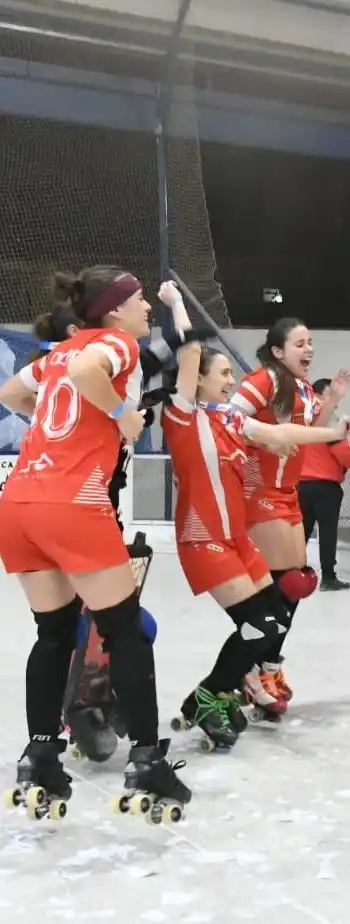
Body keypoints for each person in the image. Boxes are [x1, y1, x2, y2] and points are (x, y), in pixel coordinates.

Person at [0, 266, 190, 811]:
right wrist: (120, 416)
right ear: (113, 310)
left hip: (20, 500)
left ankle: (41, 756)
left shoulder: (57, 351)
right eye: (138, 301)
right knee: (124, 630)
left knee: (54, 634)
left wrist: (65, 424)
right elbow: (89, 372)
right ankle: (148, 762)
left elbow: (12, 391)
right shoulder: (112, 343)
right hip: (73, 502)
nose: (145, 309)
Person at [164, 338, 350, 742]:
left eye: (233, 374)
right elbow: (188, 355)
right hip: (205, 539)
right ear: (197, 378)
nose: (231, 381)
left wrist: (331, 430)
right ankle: (205, 697)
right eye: (223, 374)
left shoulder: (231, 421)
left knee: (272, 622)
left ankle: (224, 689)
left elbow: (282, 429)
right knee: (257, 623)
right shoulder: (182, 414)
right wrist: (178, 308)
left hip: (237, 539)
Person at [229, 320, 350, 713]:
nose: (309, 349)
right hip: (259, 491)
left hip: (288, 491)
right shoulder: (263, 379)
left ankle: (265, 662)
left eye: (311, 342)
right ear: (278, 351)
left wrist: (332, 402)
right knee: (281, 586)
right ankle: (249, 668)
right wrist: (263, 437)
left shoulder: (300, 386)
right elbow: (229, 420)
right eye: (300, 343)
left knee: (297, 583)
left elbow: (308, 427)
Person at [298, 378, 350, 592]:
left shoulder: (303, 416)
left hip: (301, 484)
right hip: (325, 486)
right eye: (331, 393)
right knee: (327, 533)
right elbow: (341, 450)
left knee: (301, 532)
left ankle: (292, 574)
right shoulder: (328, 417)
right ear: (322, 394)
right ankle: (328, 577)